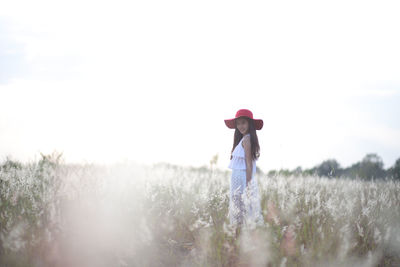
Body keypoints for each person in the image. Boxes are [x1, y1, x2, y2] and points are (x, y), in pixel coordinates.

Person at [224, 109, 264, 229]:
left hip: (243, 178)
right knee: (240, 209)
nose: (241, 126)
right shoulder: (243, 139)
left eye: (243, 123)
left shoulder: (247, 139)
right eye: (238, 123)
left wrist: (248, 185)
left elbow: (248, 163)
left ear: (249, 124)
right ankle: (240, 238)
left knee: (241, 209)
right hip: (238, 178)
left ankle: (241, 237)